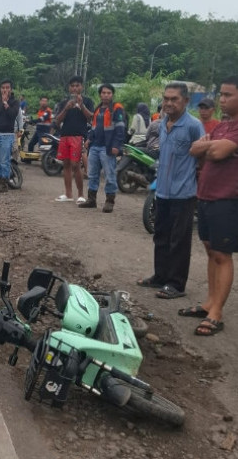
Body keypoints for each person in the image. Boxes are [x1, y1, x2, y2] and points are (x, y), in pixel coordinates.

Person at [137, 83, 203, 299]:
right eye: (166, 98)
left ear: (185, 101)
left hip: (184, 194)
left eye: (174, 99)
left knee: (179, 241)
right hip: (163, 191)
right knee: (161, 236)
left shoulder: (193, 126)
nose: (169, 103)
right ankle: (160, 276)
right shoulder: (161, 124)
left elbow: (202, 157)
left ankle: (176, 284)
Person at [184, 76, 238, 335]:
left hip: (227, 199)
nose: (223, 100)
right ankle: (209, 302)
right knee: (209, 250)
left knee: (221, 254)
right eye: (222, 95)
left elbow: (213, 153)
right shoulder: (222, 127)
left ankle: (217, 313)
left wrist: (208, 147)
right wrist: (208, 145)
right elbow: (195, 149)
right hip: (205, 195)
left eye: (228, 95)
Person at [78, 84, 124, 212]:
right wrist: (89, 139)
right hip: (95, 147)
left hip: (107, 148)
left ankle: (110, 201)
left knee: (110, 175)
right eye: (103, 93)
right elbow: (93, 127)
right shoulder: (98, 109)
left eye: (109, 93)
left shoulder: (116, 108)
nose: (106, 95)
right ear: (100, 94)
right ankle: (91, 200)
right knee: (92, 174)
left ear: (112, 94)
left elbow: (120, 129)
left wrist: (116, 145)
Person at [54, 76, 94, 203]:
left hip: (79, 135)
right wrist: (66, 108)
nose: (75, 88)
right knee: (65, 164)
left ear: (82, 87)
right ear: (69, 87)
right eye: (72, 86)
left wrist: (81, 105)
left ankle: (81, 195)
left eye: (77, 85)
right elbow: (58, 121)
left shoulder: (87, 101)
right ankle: (68, 194)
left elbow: (90, 118)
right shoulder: (64, 102)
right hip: (65, 135)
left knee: (76, 165)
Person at [0, 79, 19, 193]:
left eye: (7, 87)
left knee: (4, 161)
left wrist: (6, 103)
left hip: (6, 135)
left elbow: (12, 115)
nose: (5, 90)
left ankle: (4, 184)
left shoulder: (14, 102)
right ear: (0, 89)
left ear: (11, 89)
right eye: (3, 88)